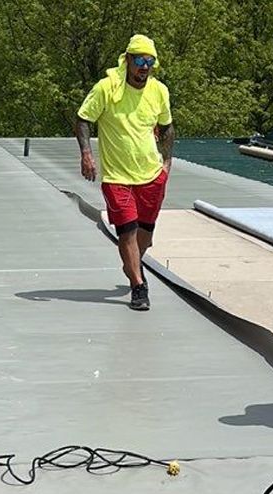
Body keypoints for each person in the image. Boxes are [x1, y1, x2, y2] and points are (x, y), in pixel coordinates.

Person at [75, 34, 175, 311]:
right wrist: (86, 154)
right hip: (117, 177)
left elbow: (167, 126)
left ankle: (132, 265)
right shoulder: (107, 88)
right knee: (126, 232)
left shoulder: (159, 91)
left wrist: (167, 163)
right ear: (127, 60)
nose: (144, 66)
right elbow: (84, 119)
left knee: (145, 234)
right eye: (140, 60)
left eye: (150, 61)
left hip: (151, 175)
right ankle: (138, 286)